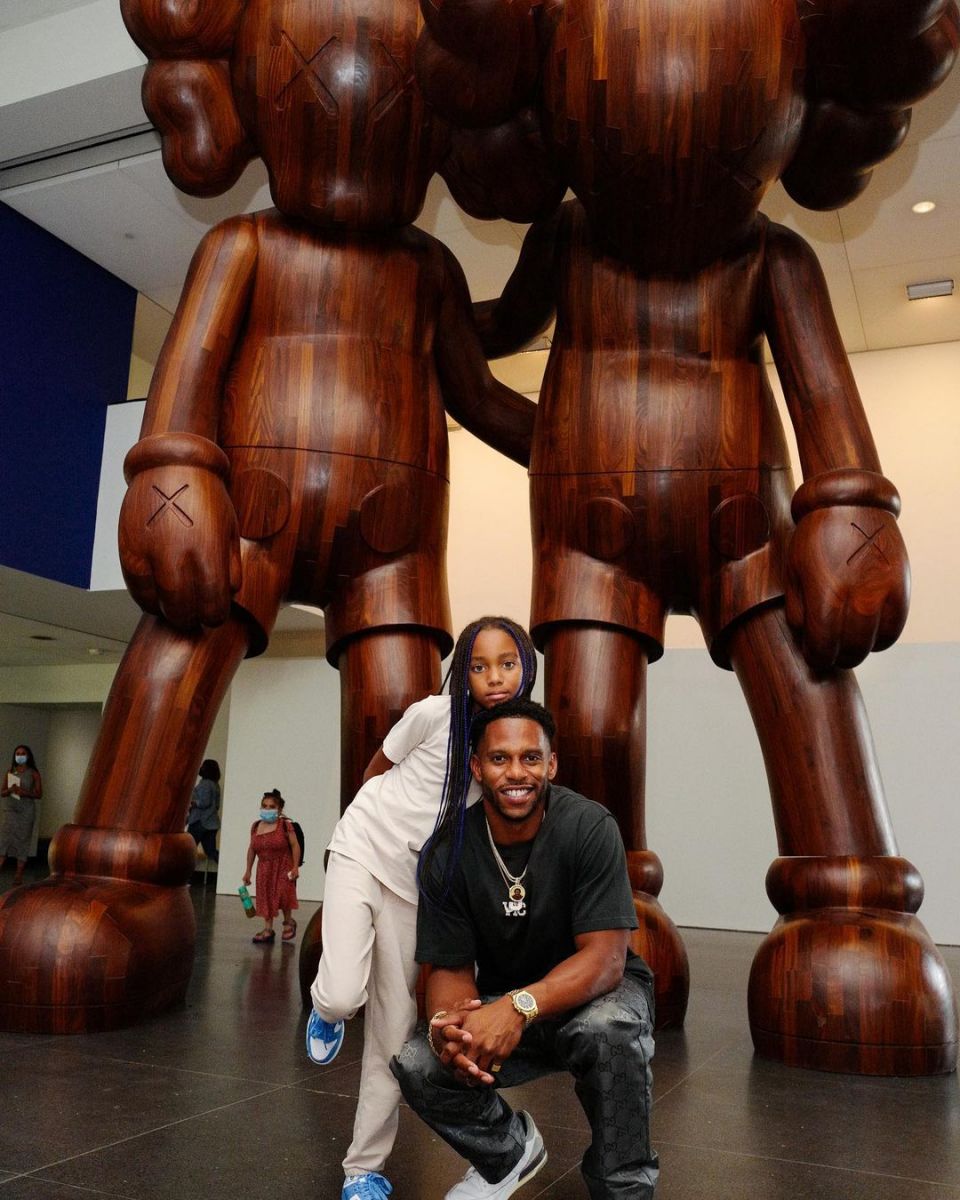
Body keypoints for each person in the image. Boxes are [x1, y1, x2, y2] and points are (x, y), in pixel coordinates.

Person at [391, 699, 659, 1200]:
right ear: (477, 767)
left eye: (530, 758)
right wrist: (449, 1026)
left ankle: (623, 1187)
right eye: (500, 759)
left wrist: (519, 1006)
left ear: (551, 764)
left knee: (609, 1028)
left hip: (597, 994)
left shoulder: (589, 826)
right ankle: (509, 1153)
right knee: (419, 1062)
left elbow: (606, 959)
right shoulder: (447, 851)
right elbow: (449, 967)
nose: (516, 773)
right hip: (504, 1000)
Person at [308, 617, 538, 1200]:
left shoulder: (508, 742)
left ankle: (363, 1169)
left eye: (507, 664)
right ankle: (325, 1011)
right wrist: (370, 827)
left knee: (392, 1034)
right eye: (478, 666)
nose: (494, 677)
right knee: (341, 994)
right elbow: (376, 770)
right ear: (461, 672)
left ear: (527, 668)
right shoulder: (432, 715)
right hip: (363, 849)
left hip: (415, 888)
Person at [242, 788, 300, 944]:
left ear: (279, 809)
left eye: (271, 807)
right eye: (264, 806)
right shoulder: (255, 826)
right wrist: (248, 870)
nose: (267, 809)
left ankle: (288, 922)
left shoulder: (285, 825)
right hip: (264, 868)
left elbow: (295, 845)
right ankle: (268, 928)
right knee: (266, 896)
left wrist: (295, 867)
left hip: (283, 865)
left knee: (283, 894)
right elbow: (252, 849)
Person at [0, 745, 43, 887]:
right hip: (10, 810)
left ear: (28, 756)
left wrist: (25, 793)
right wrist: (10, 790)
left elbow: (39, 794)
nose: (20, 756)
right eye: (17, 753)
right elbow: (2, 792)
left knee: (23, 840)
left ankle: (18, 875)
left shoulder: (33, 773)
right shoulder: (10, 771)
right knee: (4, 839)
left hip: (26, 811)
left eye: (22, 753)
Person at [186, 759, 221, 864]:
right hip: (212, 823)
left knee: (187, 849)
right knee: (211, 851)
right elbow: (216, 805)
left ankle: (182, 871)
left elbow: (204, 802)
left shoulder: (205, 784)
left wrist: (191, 802)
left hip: (199, 822)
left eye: (202, 766)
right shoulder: (216, 785)